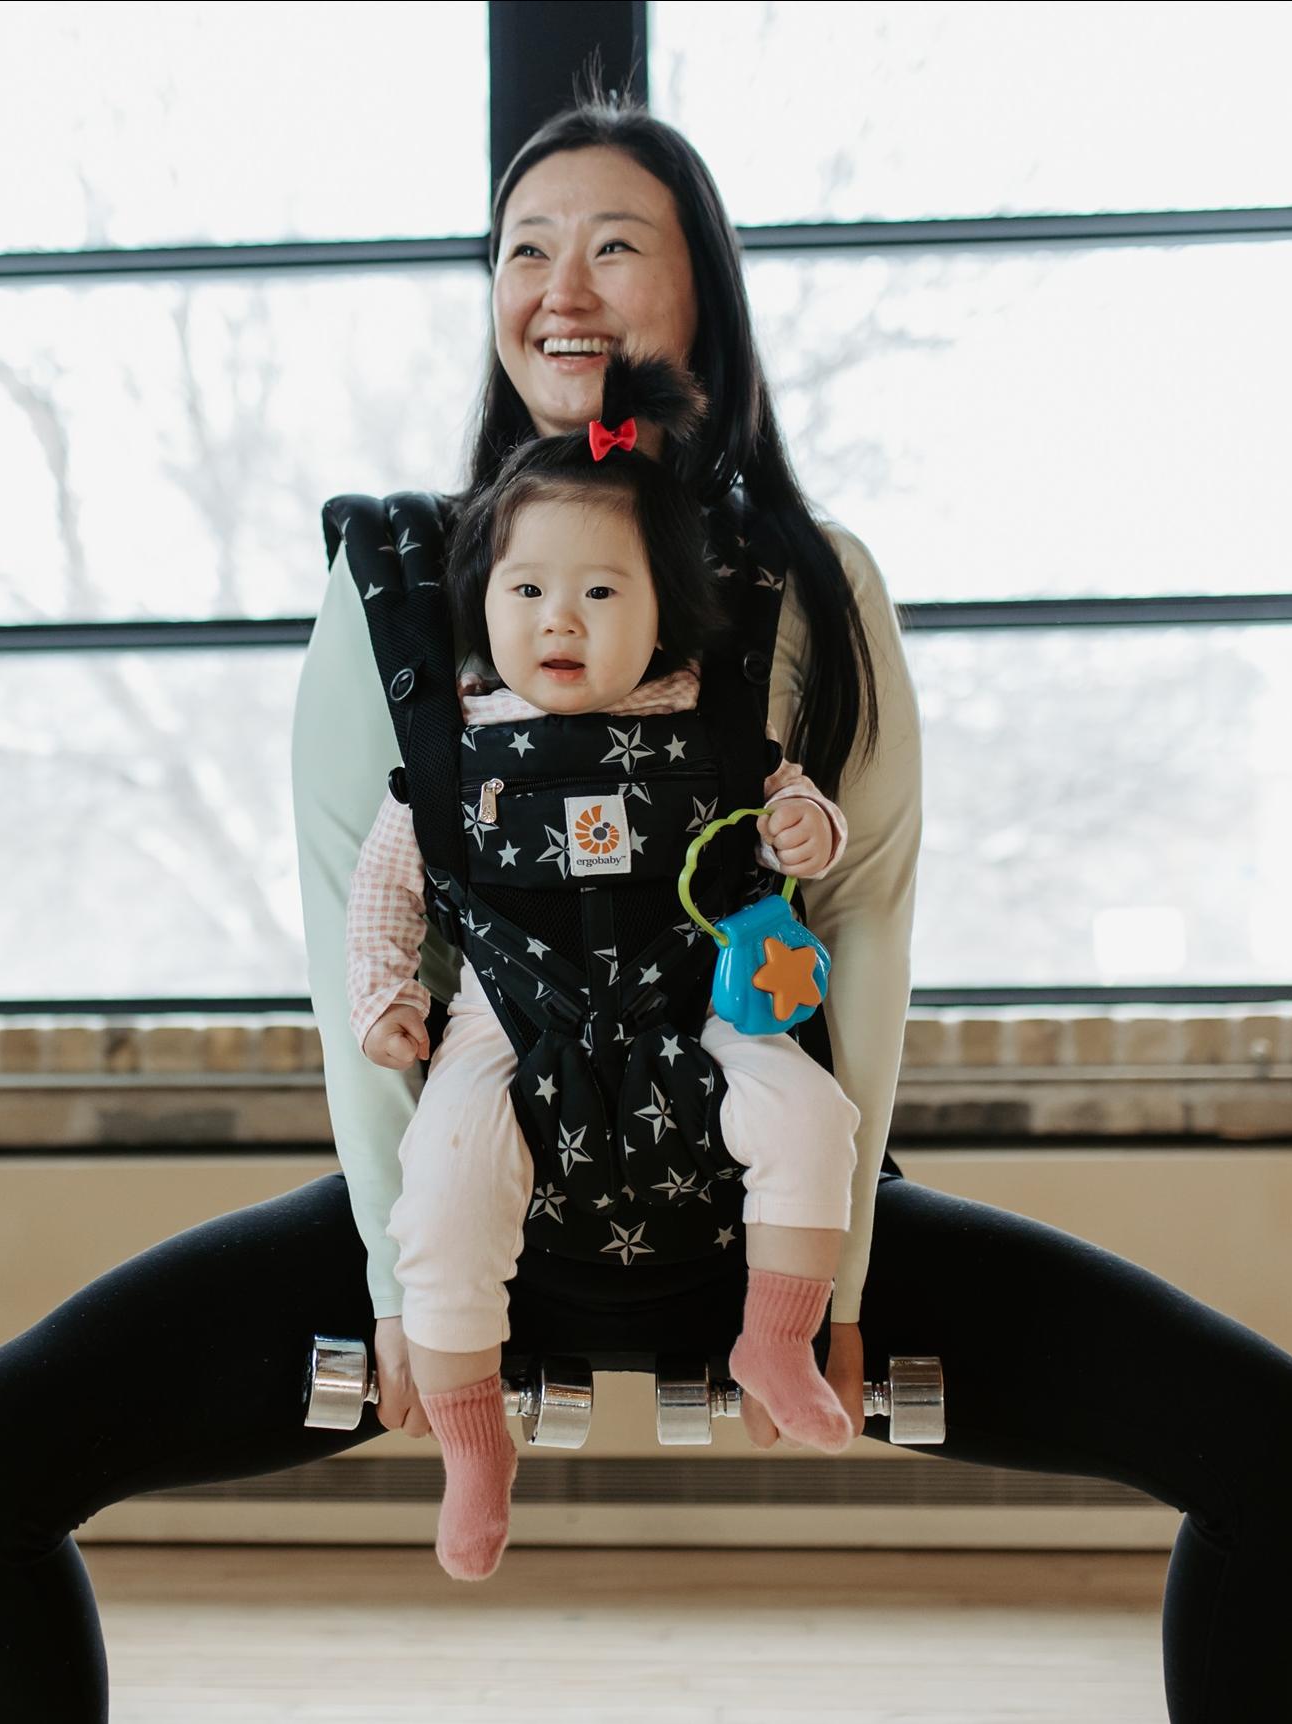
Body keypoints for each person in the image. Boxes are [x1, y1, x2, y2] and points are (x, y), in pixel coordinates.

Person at [0, 88, 1292, 1724]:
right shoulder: (397, 589)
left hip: (762, 1200)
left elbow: (859, 926)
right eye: (523, 249)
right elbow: (353, 938)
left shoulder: (811, 580)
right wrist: (392, 1283)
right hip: (471, 1203)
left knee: (1272, 1440)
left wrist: (842, 1280)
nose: (557, 285)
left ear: (702, 304)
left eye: (611, 245)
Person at [347, 348, 864, 1579]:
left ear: (665, 612)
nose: (557, 620)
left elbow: (798, 814)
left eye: (597, 592)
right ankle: (475, 1447)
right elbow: (389, 880)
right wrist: (385, 996)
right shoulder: (457, 750)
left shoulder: (713, 732)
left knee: (812, 1111)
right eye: (523, 591)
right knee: (446, 1184)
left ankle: (774, 1341)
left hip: (696, 1001)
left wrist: (808, 828)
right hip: (503, 1022)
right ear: (481, 605)